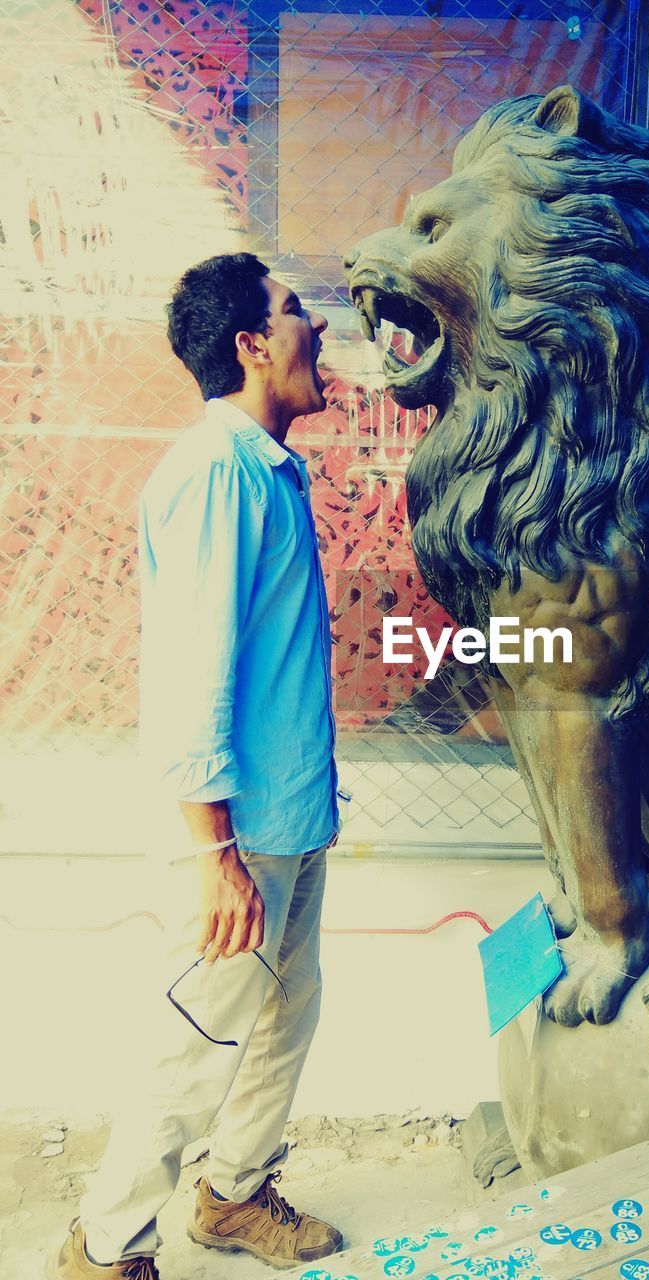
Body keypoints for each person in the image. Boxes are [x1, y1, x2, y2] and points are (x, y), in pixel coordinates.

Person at [50, 253, 344, 1279]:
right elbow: (191, 675)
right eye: (298, 310)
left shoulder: (269, 468)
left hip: (292, 820)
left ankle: (231, 1192)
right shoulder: (217, 474)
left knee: (283, 1018)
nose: (320, 328)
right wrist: (214, 849)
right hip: (242, 833)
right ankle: (105, 1244)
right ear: (252, 345)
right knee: (196, 1043)